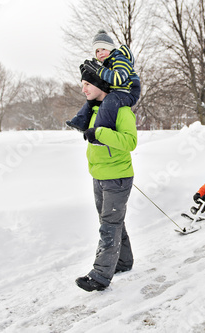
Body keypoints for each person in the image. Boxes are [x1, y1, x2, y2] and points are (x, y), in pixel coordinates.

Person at [75, 63, 137, 292]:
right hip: (99, 175)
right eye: (82, 84)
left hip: (117, 177)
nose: (84, 89)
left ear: (100, 85)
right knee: (110, 222)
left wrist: (99, 133)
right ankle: (123, 261)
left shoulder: (121, 110)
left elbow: (130, 142)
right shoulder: (92, 111)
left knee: (109, 226)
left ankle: (100, 275)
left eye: (87, 84)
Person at [66, 29, 141, 132]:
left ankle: (102, 131)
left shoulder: (120, 59)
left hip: (128, 92)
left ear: (111, 48)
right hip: (116, 91)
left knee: (110, 100)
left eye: (103, 49)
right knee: (94, 98)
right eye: (97, 51)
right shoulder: (107, 64)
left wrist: (98, 70)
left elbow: (118, 78)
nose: (100, 53)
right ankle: (80, 122)